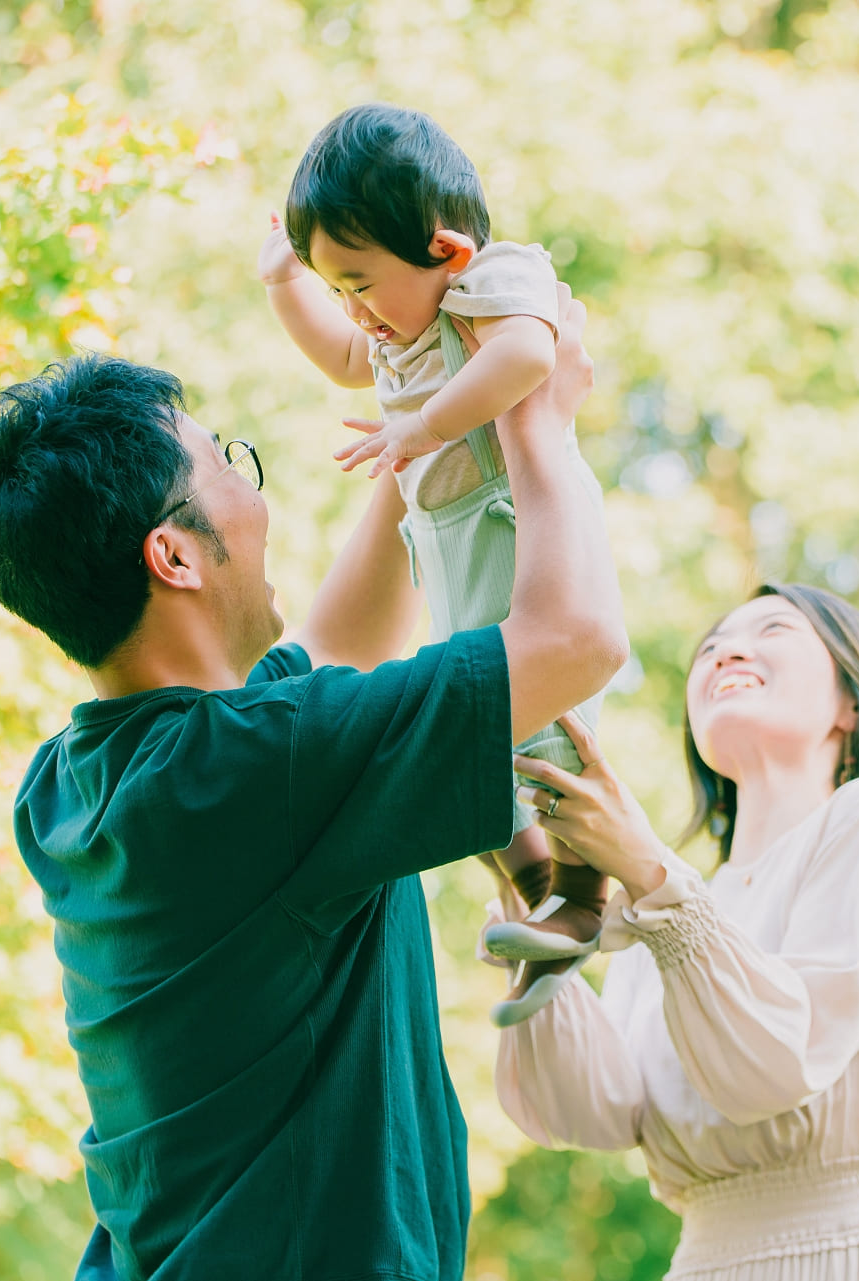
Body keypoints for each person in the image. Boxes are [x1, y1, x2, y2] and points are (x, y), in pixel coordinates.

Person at [0, 286, 625, 1281]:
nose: (253, 494)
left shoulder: (78, 785)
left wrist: (424, 419)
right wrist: (537, 420)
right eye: (228, 462)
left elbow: (334, 649)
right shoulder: (252, 768)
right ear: (172, 554)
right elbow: (577, 641)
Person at [489, 584, 859, 1280]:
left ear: (852, 700)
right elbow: (590, 1113)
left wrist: (648, 872)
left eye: (774, 628)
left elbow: (774, 1065)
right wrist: (536, 893)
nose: (727, 651)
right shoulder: (666, 902)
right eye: (710, 647)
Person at [260, 103, 609, 1021]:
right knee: (460, 729)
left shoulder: (493, 279)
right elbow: (342, 358)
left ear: (447, 250)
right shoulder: (396, 331)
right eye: (335, 286)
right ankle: (537, 885)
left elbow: (532, 353)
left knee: (533, 720)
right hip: (443, 541)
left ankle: (584, 887)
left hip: (507, 521)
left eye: (359, 281)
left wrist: (426, 425)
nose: (356, 312)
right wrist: (283, 290)